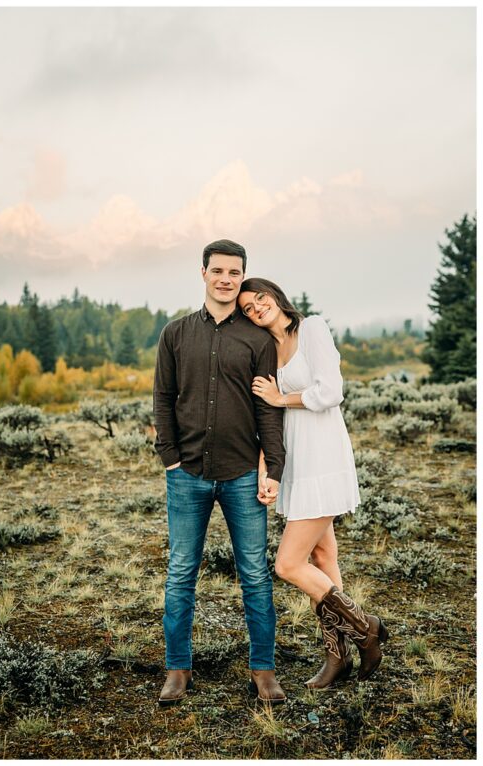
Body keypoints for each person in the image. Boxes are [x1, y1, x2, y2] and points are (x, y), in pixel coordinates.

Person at [152, 239, 287, 705]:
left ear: (243, 274)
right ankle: (177, 669)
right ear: (204, 273)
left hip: (242, 475)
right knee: (180, 573)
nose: (226, 279)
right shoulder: (175, 334)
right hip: (186, 473)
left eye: (235, 272)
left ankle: (264, 670)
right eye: (218, 271)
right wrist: (169, 457)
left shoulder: (256, 339)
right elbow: (163, 400)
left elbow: (269, 410)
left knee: (254, 573)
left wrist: (275, 467)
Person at [239, 278, 388, 687]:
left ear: (275, 295)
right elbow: (269, 420)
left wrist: (279, 398)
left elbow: (330, 391)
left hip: (323, 459)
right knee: (323, 559)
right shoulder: (267, 350)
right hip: (297, 463)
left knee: (289, 564)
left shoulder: (313, 329)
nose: (256, 309)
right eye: (248, 309)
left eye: (260, 299)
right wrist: (266, 467)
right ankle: (336, 657)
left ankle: (367, 629)